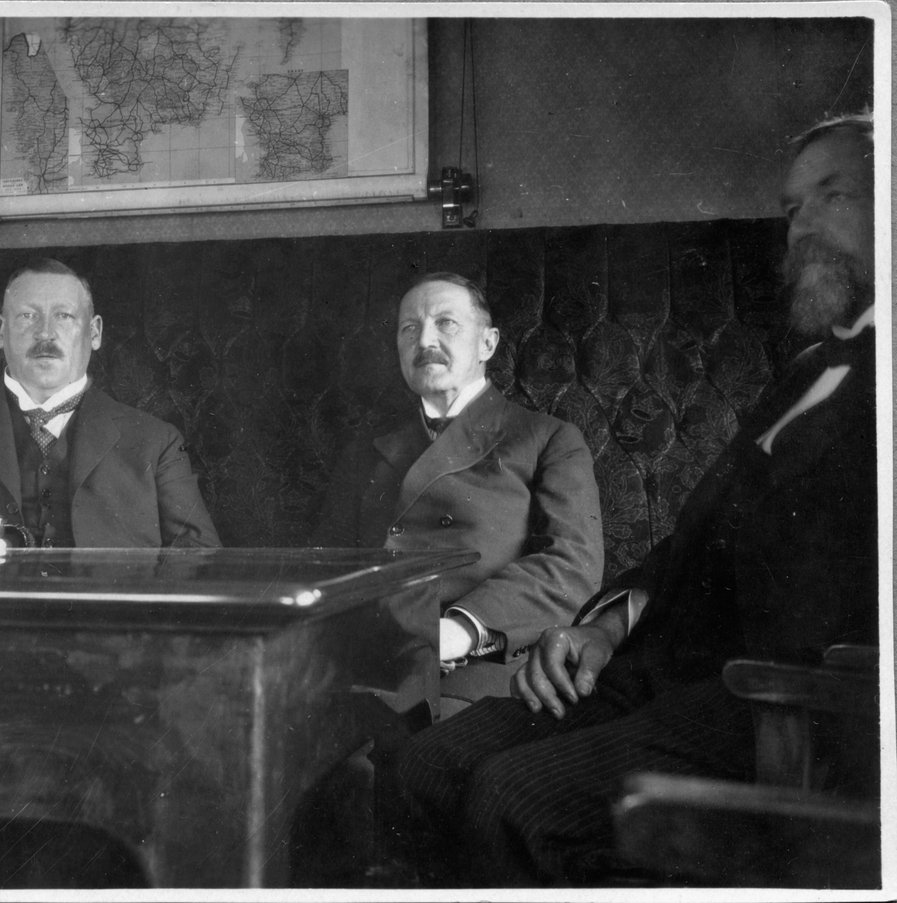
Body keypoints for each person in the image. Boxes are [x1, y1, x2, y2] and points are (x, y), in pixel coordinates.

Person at [395, 112, 878, 885]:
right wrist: (602, 629)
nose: (804, 228)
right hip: (650, 664)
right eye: (793, 210)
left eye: (835, 195)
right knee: (427, 763)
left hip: (773, 701)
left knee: (508, 798)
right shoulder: (807, 372)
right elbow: (695, 541)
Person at [313, 272, 604, 712]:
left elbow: (571, 565)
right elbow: (323, 565)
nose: (424, 340)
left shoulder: (548, 439)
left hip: (479, 667)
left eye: (445, 323)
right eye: (409, 328)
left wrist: (461, 630)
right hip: (362, 664)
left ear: (487, 344)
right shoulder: (364, 450)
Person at [0, 257, 220, 549]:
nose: (46, 333)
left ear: (94, 333)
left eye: (64, 316)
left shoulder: (157, 444)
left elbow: (200, 566)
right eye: (28, 315)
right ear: (1, 331)